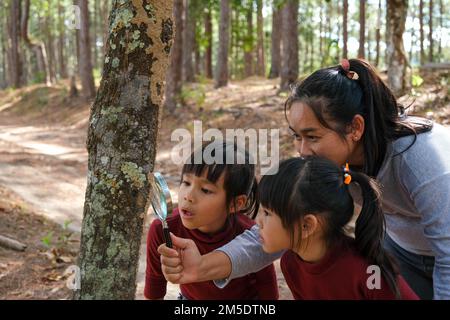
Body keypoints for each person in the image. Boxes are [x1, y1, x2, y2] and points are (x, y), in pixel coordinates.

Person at [158, 59, 450, 300]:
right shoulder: (323, 164)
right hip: (404, 252)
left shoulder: (421, 160)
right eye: (296, 136)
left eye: (312, 136)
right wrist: (202, 267)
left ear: (355, 128)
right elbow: (280, 229)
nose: (302, 150)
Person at [257, 156, 418, 299]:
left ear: (307, 225)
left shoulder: (367, 272)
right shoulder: (290, 264)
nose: (259, 222)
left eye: (267, 213)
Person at [144, 140, 279, 300]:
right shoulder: (163, 229)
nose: (188, 196)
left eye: (206, 190)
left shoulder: (249, 236)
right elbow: (154, 289)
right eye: (186, 182)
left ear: (235, 203)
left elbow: (268, 289)